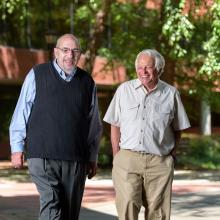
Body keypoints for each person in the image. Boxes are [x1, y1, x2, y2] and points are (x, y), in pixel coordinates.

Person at [9, 33, 102, 220]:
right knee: (52, 204)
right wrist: (17, 148)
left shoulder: (87, 82)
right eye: (65, 50)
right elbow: (21, 112)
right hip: (42, 156)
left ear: (80, 54)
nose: (70, 55)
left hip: (76, 158)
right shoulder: (37, 74)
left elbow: (94, 124)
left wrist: (92, 156)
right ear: (56, 52)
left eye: (75, 51)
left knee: (69, 213)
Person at [103, 49, 190, 220]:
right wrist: (116, 155)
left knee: (157, 213)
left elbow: (178, 128)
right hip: (127, 159)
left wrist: (170, 155)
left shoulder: (171, 93)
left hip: (159, 161)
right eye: (140, 67)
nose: (143, 71)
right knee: (127, 205)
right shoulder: (124, 90)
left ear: (159, 69)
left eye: (148, 67)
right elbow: (114, 124)